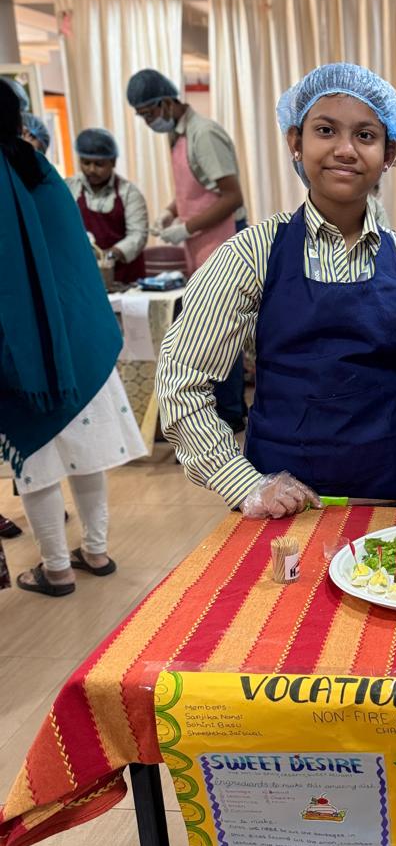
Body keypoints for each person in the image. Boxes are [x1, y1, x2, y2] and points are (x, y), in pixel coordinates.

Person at [156, 62, 396, 517]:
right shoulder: (251, 254)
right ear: (295, 142)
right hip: (280, 508)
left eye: (365, 135)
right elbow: (182, 380)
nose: (345, 150)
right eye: (325, 130)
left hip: (389, 502)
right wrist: (244, 483)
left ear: (389, 153)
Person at [0, 80, 146, 596]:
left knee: (38, 457)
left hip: (26, 351)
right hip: (80, 341)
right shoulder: (41, 172)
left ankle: (57, 568)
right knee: (85, 450)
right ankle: (96, 551)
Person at [126, 68, 247, 430]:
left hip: (225, 241)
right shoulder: (177, 136)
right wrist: (170, 211)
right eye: (142, 116)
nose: (148, 122)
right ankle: (224, 408)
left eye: (149, 113)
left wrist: (187, 227)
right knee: (209, 331)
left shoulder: (203, 133)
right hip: (203, 243)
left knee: (221, 332)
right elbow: (195, 190)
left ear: (166, 102)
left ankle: (230, 413)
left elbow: (232, 196)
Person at [66, 128, 149, 284]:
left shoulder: (129, 193)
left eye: (99, 164)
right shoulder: (70, 188)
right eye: (85, 163)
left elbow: (138, 235)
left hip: (126, 278)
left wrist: (110, 255)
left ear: (113, 162)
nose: (91, 170)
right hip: (84, 275)